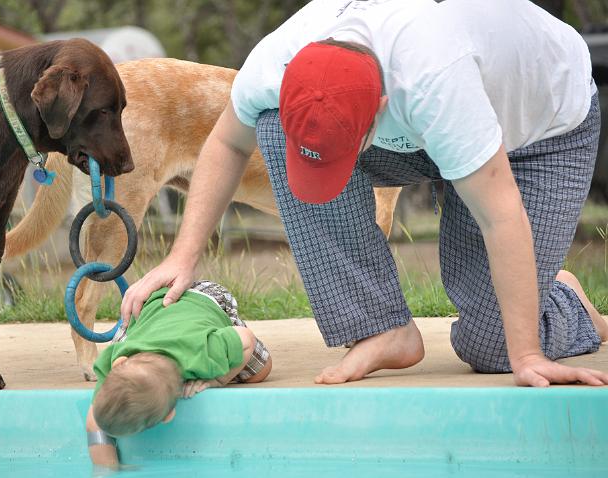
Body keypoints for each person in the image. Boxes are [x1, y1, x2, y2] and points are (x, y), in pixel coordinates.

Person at [122, 0, 608, 387]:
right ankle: (383, 326)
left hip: (538, 129)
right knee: (268, 124)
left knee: (494, 349)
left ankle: (563, 299)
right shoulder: (278, 58)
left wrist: (525, 355)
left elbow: (500, 216)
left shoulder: (434, 78)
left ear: (377, 112)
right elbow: (228, 141)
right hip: (421, 127)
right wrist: (182, 257)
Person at [87, 281, 272, 468]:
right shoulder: (116, 359)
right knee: (131, 335)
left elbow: (246, 338)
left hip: (207, 297)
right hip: (151, 302)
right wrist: (107, 469)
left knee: (261, 371)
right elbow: (95, 420)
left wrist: (217, 380)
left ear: (169, 416)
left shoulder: (203, 355)